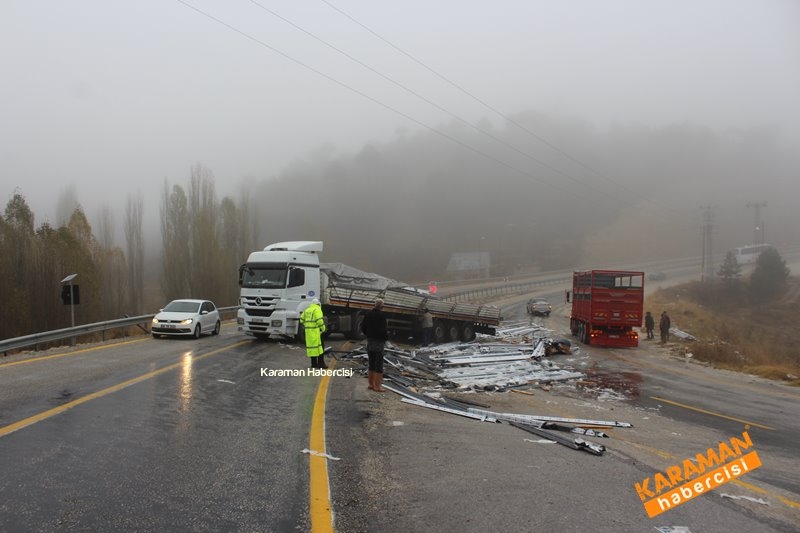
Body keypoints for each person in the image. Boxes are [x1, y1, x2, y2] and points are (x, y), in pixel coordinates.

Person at [361, 298, 388, 392]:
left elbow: (362, 327)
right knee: (379, 364)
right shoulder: (382, 316)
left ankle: (370, 384)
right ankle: (377, 386)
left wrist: (368, 334)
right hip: (379, 342)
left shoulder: (368, 314)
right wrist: (386, 337)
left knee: (371, 363)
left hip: (370, 341)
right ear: (382, 306)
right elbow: (383, 330)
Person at [300, 298, 327, 369]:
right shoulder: (317, 309)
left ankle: (314, 364)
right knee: (320, 348)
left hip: (309, 333)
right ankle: (321, 364)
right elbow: (319, 321)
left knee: (312, 348)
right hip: (316, 333)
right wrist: (323, 329)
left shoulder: (307, 310)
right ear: (318, 304)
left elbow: (301, 320)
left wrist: (307, 325)